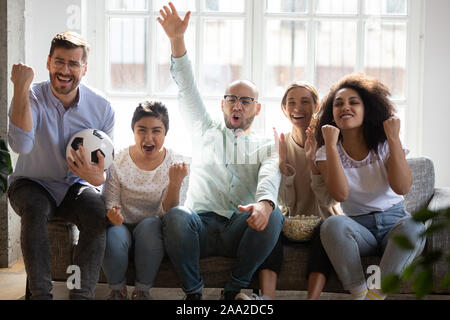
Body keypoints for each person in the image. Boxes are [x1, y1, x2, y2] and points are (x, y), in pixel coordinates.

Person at [157, 2, 284, 300]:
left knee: (273, 213)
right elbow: (187, 88)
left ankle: (233, 290)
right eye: (231, 98)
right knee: (175, 216)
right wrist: (177, 40)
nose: (237, 104)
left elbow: (270, 175)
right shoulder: (204, 128)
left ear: (257, 108)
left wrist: (265, 203)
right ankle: (193, 293)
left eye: (245, 100)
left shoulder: (266, 145)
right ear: (223, 104)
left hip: (239, 226)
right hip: (198, 225)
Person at [7, 31, 115, 299]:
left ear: (84, 68)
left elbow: (106, 171)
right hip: (32, 183)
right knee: (35, 207)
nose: (65, 70)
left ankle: (79, 293)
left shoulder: (102, 108)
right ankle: (41, 294)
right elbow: (21, 145)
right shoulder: (30, 96)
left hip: (74, 185)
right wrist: (19, 88)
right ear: (48, 62)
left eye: (73, 63)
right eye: (59, 61)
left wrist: (96, 176)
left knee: (95, 212)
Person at [315, 73, 426, 300]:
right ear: (332, 115)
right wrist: (330, 145)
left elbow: (402, 187)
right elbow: (340, 194)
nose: (345, 107)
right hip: (358, 229)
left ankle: (375, 295)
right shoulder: (326, 151)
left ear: (368, 110)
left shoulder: (385, 144)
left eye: (354, 102)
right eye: (338, 104)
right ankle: (358, 292)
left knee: (415, 225)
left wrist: (393, 138)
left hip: (394, 223)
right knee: (332, 224)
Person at [236, 82, 342, 300]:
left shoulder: (329, 145)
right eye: (291, 102)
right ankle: (267, 299)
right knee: (269, 223)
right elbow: (284, 202)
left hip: (322, 221)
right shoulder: (280, 144)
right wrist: (284, 169)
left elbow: (328, 200)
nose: (297, 108)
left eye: (305, 102)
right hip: (290, 222)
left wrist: (313, 163)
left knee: (326, 229)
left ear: (317, 106)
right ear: (284, 109)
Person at [102, 101, 189, 300]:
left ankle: (141, 291)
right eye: (142, 130)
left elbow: (169, 215)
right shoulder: (117, 160)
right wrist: (112, 215)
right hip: (122, 224)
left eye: (156, 131)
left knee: (150, 226)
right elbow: (111, 202)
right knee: (113, 235)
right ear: (133, 131)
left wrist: (175, 183)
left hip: (153, 228)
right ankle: (117, 291)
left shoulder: (177, 164)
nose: (148, 138)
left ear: (165, 133)